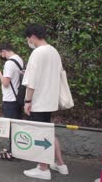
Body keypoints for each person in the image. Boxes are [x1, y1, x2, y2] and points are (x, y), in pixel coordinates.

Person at [21, 24, 68, 180]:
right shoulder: (54, 51)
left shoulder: (37, 53)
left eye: (28, 38)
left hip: (38, 101)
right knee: (49, 132)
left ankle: (43, 168)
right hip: (50, 100)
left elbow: (31, 81)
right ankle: (60, 164)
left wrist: (27, 101)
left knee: (40, 134)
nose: (29, 41)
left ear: (33, 36)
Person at [0, 42, 24, 160]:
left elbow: (6, 83)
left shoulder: (9, 63)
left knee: (12, 127)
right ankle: (15, 150)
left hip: (10, 99)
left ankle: (12, 153)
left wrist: (0, 74)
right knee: (16, 126)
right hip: (18, 98)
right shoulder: (19, 60)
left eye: (1, 55)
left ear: (4, 51)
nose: (2, 57)